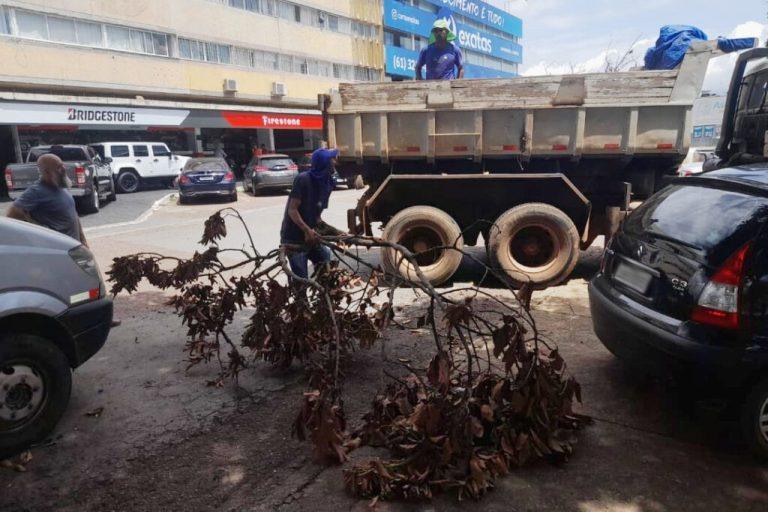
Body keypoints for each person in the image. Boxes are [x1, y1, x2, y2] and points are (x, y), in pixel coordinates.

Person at [280, 148, 339, 279]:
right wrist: (306, 230)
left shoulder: (328, 183)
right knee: (301, 280)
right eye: (332, 159)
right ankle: (301, 298)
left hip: (311, 238)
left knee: (325, 260)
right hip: (294, 239)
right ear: (323, 162)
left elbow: (317, 218)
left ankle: (324, 296)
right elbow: (292, 210)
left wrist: (338, 233)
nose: (335, 162)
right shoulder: (303, 179)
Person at [7, 153, 87, 246]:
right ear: (47, 172)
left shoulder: (61, 186)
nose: (63, 169)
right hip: (59, 250)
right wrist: (37, 227)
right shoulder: (36, 191)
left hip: (75, 246)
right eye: (59, 167)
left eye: (62, 165)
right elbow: (12, 213)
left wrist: (83, 240)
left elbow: (74, 215)